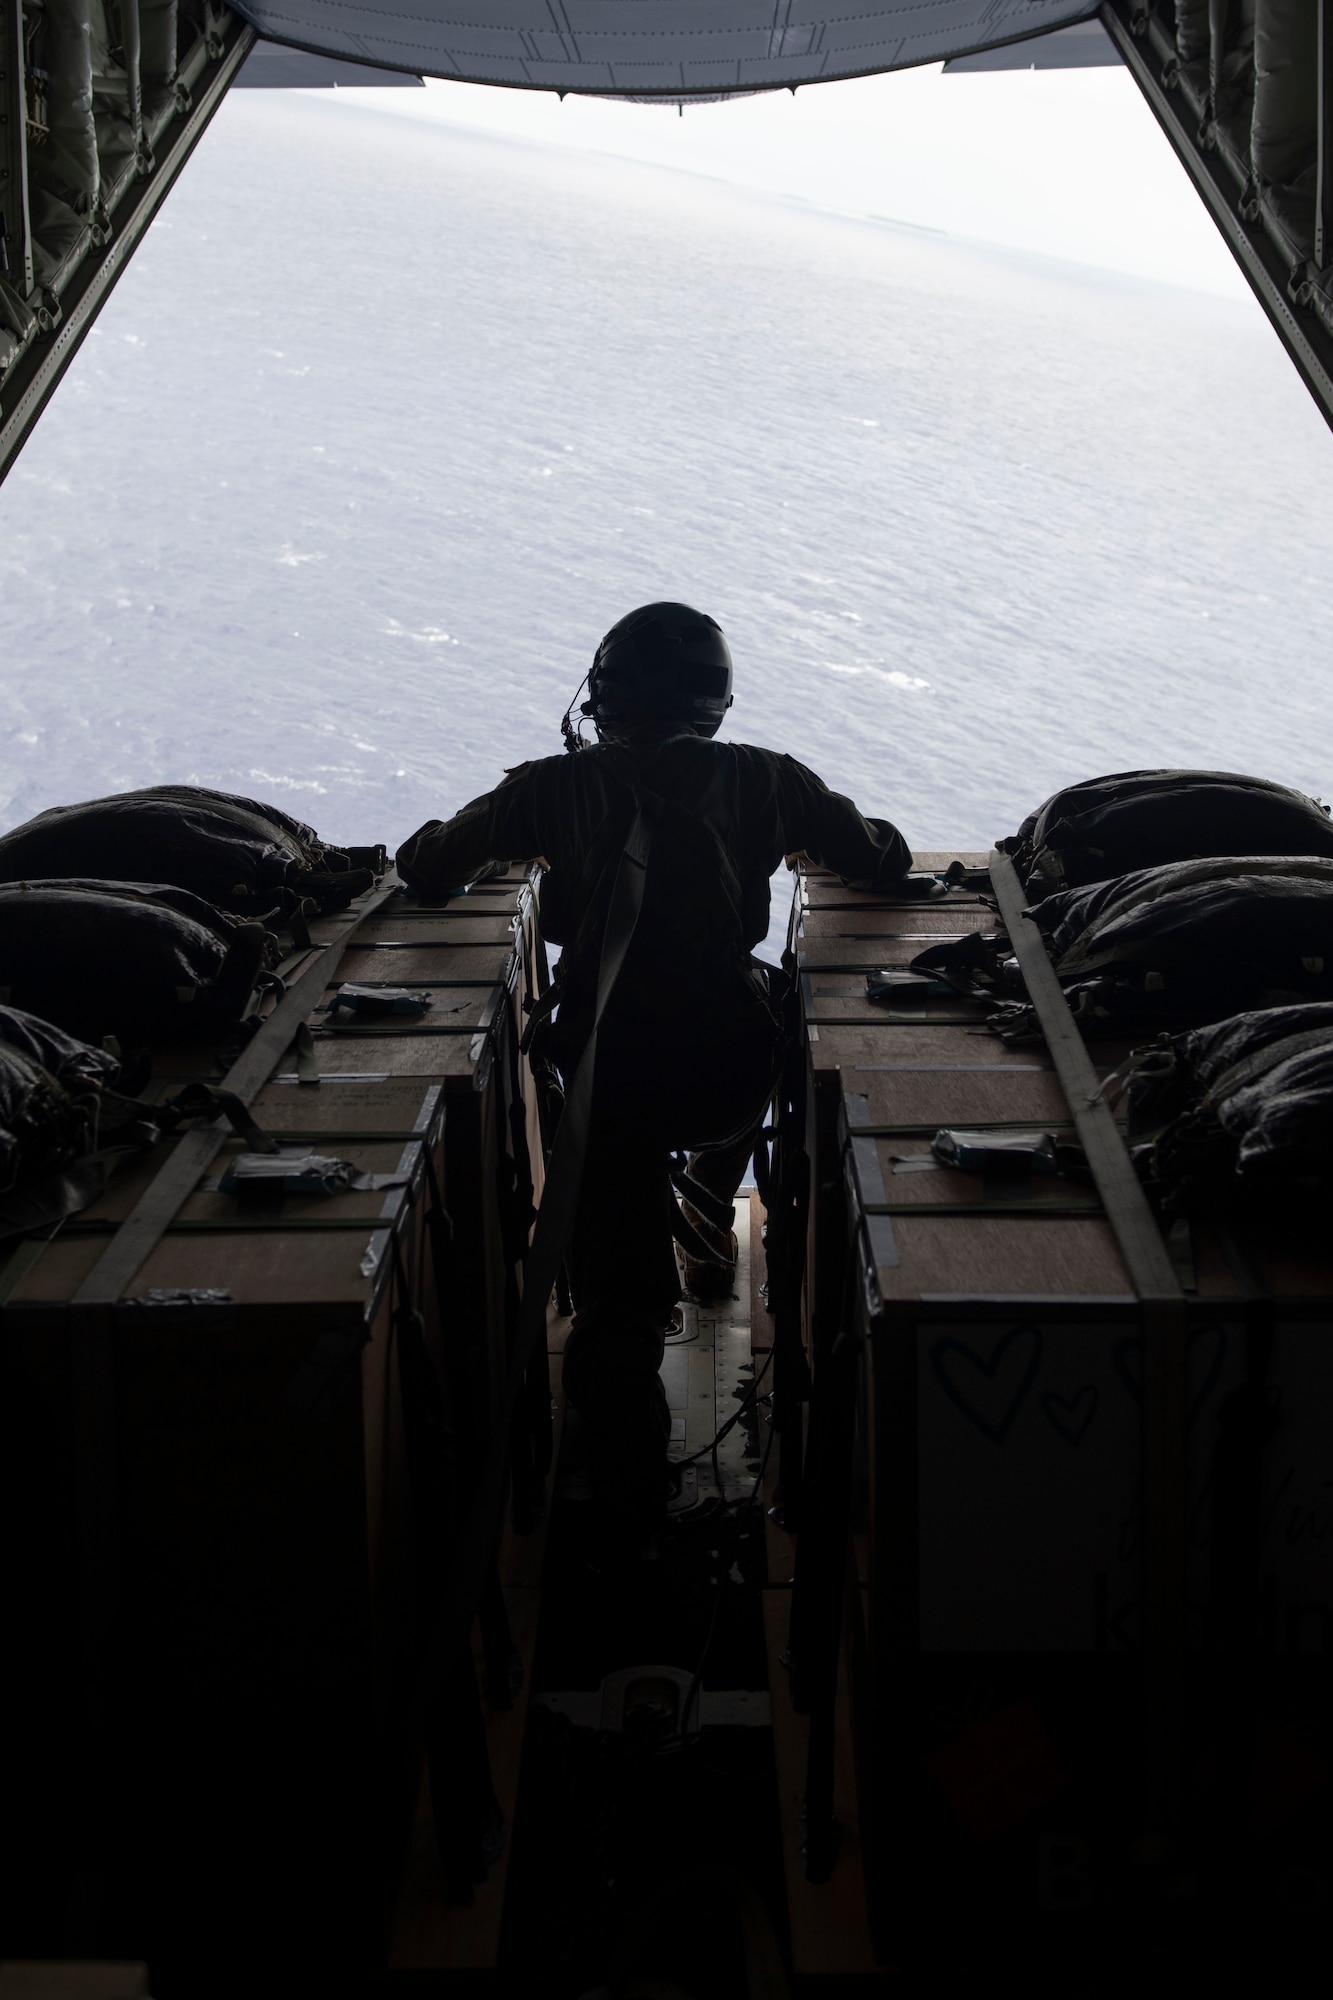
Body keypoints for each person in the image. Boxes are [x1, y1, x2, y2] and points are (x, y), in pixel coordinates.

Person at [396, 602, 934, 1546]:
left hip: (610, 1067)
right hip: (728, 1065)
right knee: (748, 1062)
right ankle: (708, 1226)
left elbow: (430, 868)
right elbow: (880, 861)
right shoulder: (769, 778)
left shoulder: (550, 788)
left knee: (617, 1302)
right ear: (716, 702)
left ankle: (632, 1493)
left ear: (603, 697)